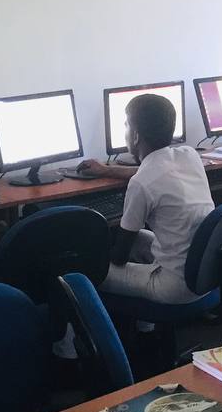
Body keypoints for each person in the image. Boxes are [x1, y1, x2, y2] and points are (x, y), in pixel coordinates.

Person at [79, 94, 214, 304]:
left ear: (135, 136)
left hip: (175, 286)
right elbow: (151, 171)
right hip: (205, 272)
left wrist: (96, 254)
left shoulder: (141, 183)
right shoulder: (189, 155)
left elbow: (120, 257)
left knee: (86, 271)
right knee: (139, 237)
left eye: (126, 125)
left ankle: (110, 321)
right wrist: (106, 170)